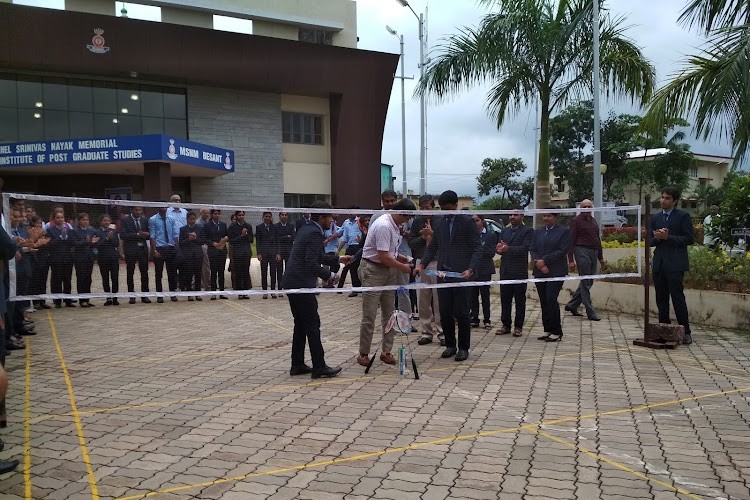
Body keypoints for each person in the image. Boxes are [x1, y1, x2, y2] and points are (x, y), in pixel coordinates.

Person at [282, 201, 349, 379]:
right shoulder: (314, 232)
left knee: (301, 324)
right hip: (300, 285)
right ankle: (319, 366)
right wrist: (329, 277)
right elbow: (310, 262)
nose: (332, 220)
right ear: (321, 217)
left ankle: (297, 365)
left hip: (292, 282)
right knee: (312, 324)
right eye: (330, 217)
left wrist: (338, 260)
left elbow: (316, 256)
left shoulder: (307, 228)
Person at [417, 190, 482, 362]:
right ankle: (450, 345)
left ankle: (463, 348)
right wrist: (422, 264)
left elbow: (477, 248)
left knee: (461, 313)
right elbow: (433, 246)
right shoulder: (440, 222)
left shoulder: (467, 222)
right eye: (442, 208)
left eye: (447, 208)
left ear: (455, 205)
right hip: (443, 275)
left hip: (462, 275)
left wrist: (471, 268)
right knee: (444, 313)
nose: (445, 212)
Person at [356, 199, 416, 367]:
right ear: (401, 213)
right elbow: (383, 256)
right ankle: (363, 353)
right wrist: (404, 268)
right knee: (369, 315)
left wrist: (408, 260)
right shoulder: (384, 225)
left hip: (388, 270)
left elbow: (392, 253)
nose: (408, 221)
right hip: (373, 270)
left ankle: (386, 351)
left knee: (389, 314)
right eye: (407, 217)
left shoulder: (397, 226)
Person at [651, 186, 694, 345]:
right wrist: (657, 237)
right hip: (659, 263)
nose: (663, 200)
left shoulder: (683, 216)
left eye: (667, 198)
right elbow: (650, 241)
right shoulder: (655, 218)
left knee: (677, 298)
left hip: (675, 264)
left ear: (675, 201)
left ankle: (686, 331)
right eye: (662, 197)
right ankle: (665, 329)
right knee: (661, 298)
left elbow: (689, 239)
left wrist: (668, 237)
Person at [531, 208, 570, 342]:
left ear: (555, 217)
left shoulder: (563, 232)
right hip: (540, 271)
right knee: (543, 300)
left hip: (556, 271)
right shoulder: (538, 232)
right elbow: (533, 248)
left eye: (549, 216)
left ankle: (556, 331)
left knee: (551, 298)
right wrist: (539, 262)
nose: (546, 218)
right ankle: (547, 329)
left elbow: (562, 250)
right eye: (544, 215)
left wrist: (545, 261)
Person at [409, 195, 444, 346]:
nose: (425, 210)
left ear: (433, 207)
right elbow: (412, 243)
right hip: (421, 263)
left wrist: (432, 234)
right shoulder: (417, 222)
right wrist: (423, 237)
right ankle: (426, 332)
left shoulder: (440, 220)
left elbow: (445, 241)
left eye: (428, 207)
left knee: (438, 300)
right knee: (423, 300)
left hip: (437, 262)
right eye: (422, 208)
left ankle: (442, 333)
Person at [565, 199, 606, 321]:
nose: (587, 210)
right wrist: (571, 260)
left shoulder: (593, 221)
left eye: (589, 207)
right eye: (584, 207)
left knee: (589, 281)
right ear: (580, 209)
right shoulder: (576, 222)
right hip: (581, 250)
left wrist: (601, 258)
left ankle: (572, 305)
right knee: (585, 281)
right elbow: (571, 241)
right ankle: (590, 311)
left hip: (593, 252)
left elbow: (597, 240)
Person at [495, 207, 533, 337]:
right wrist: (499, 249)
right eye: (510, 214)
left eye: (515, 215)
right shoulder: (504, 231)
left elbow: (525, 248)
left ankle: (518, 326)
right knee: (505, 299)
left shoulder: (528, 231)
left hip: (519, 271)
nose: (512, 217)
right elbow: (500, 247)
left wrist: (508, 249)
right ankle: (506, 324)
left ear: (522, 216)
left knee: (519, 300)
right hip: (505, 270)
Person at [470, 215, 498, 329]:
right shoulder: (471, 235)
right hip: (473, 268)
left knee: (485, 295)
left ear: (482, 221)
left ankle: (487, 319)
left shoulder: (490, 235)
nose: (475, 223)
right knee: (473, 295)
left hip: (485, 269)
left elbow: (491, 253)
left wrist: (479, 250)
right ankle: (475, 318)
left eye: (477, 220)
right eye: (473, 221)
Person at [119, 207, 151, 304]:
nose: (138, 212)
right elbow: (123, 235)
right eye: (136, 210)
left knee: (144, 272)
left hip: (142, 250)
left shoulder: (145, 220)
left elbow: (150, 235)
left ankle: (145, 295)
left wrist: (146, 234)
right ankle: (131, 296)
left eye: (140, 210)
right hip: (131, 250)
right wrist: (137, 235)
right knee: (130, 272)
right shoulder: (125, 220)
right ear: (131, 210)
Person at [149, 206, 180, 303]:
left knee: (172, 272)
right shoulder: (152, 219)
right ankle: (159, 294)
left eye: (165, 207)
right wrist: (154, 251)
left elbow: (175, 234)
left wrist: (177, 248)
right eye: (161, 207)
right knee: (159, 273)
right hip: (159, 248)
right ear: (158, 208)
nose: (163, 209)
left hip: (170, 248)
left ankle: (172, 293)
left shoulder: (171, 219)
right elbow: (152, 236)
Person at [47, 211, 76, 308]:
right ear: (54, 219)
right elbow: (50, 244)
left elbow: (72, 242)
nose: (60, 219)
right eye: (58, 217)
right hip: (56, 259)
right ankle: (57, 301)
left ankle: (68, 300)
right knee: (57, 280)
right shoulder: (50, 230)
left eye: (62, 217)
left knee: (67, 280)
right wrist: (61, 237)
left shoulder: (70, 230)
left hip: (67, 259)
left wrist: (66, 237)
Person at [73, 213, 99, 307]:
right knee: (81, 278)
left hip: (89, 257)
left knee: (88, 278)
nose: (86, 221)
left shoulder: (91, 229)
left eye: (87, 220)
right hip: (80, 258)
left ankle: (87, 299)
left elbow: (95, 241)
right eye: (84, 220)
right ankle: (82, 300)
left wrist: (94, 242)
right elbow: (74, 243)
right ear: (79, 221)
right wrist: (86, 242)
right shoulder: (75, 230)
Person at [202, 209, 229, 299]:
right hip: (213, 251)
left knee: (221, 272)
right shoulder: (207, 225)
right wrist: (213, 243)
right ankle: (213, 292)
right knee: (214, 271)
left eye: (218, 214)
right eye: (215, 214)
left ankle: (222, 291)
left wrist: (225, 239)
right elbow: (205, 238)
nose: (217, 215)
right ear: (212, 215)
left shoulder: (223, 225)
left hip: (222, 251)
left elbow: (226, 235)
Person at [178, 212, 205, 301]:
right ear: (187, 219)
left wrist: (196, 238)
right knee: (188, 274)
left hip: (198, 254)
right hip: (188, 254)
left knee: (198, 274)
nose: (192, 221)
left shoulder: (200, 228)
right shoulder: (183, 229)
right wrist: (189, 239)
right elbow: (181, 243)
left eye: (194, 219)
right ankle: (189, 293)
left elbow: (202, 241)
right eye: (190, 219)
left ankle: (198, 293)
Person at [27, 215, 51, 310]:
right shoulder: (30, 233)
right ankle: (36, 302)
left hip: (44, 260)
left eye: (40, 223)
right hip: (34, 260)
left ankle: (42, 301)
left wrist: (46, 240)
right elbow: (30, 244)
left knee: (43, 281)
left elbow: (48, 243)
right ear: (33, 223)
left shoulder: (44, 233)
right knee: (35, 282)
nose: (39, 225)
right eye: (37, 223)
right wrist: (37, 240)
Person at [228, 211, 254, 298]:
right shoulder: (232, 227)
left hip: (246, 252)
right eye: (239, 215)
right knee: (238, 272)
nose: (241, 217)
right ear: (236, 216)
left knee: (246, 271)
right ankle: (239, 292)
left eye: (242, 215)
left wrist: (246, 236)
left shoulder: (248, 226)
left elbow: (251, 240)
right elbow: (231, 241)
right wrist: (241, 235)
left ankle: (246, 292)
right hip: (237, 252)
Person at [95, 215, 120, 306]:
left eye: (108, 220)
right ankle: (108, 297)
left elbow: (116, 244)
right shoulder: (97, 232)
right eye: (104, 220)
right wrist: (106, 238)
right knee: (105, 278)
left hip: (113, 258)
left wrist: (111, 238)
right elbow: (97, 245)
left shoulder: (113, 231)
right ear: (101, 221)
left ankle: (115, 297)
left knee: (115, 278)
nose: (106, 222)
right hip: (103, 258)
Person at [256, 212, 279, 299]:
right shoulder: (259, 227)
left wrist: (278, 253)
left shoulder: (275, 227)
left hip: (273, 253)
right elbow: (258, 241)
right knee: (264, 273)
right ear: (263, 217)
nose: (268, 218)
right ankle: (265, 292)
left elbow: (277, 241)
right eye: (266, 216)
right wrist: (258, 253)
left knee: (273, 273)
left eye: (269, 217)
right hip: (264, 253)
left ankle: (273, 291)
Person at [275, 212, 295, 293]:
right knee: (279, 270)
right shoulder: (276, 226)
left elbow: (293, 237)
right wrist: (286, 236)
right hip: (279, 251)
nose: (284, 216)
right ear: (279, 216)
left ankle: (287, 287)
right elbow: (276, 239)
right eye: (282, 215)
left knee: (288, 270)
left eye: (285, 215)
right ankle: (279, 288)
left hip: (289, 251)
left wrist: (283, 237)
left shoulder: (291, 226)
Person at [196, 208, 212, 291]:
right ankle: (207, 286)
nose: (207, 215)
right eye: (205, 213)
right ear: (201, 213)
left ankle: (206, 284)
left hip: (209, 245)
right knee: (205, 266)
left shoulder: (208, 222)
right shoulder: (198, 223)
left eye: (208, 213)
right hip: (202, 245)